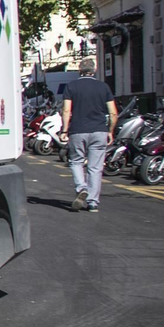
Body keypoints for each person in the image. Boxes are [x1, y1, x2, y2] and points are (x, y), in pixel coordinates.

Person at [61, 57, 117, 212]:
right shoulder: (103, 87)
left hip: (78, 130)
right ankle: (92, 202)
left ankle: (81, 188)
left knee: (76, 161)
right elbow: (113, 113)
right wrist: (110, 131)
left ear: (80, 70)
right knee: (95, 167)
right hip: (99, 130)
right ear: (94, 70)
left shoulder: (71, 86)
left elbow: (66, 110)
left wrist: (64, 130)